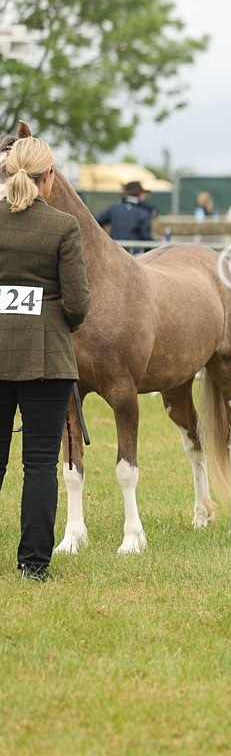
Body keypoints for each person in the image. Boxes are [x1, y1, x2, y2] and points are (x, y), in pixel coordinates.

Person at [0, 136, 90, 581]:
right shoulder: (61, 227)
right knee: (38, 463)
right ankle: (33, 566)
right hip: (46, 360)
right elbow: (77, 304)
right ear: (48, 177)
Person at [96, 181, 156, 254]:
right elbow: (146, 237)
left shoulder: (113, 208)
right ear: (140, 194)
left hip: (115, 253)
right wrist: (158, 244)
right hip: (135, 256)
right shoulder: (144, 212)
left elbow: (97, 222)